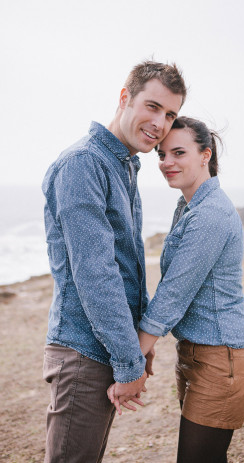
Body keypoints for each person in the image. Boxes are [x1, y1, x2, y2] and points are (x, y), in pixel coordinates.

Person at [41, 61, 187, 462]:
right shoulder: (83, 164)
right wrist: (129, 363)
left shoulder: (120, 164)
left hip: (103, 346)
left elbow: (123, 265)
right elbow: (96, 275)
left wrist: (134, 344)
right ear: (125, 98)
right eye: (153, 107)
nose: (161, 123)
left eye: (170, 114)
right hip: (82, 353)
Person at [109, 116, 244, 463]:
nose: (166, 163)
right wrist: (141, 352)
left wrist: (131, 365)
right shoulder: (189, 206)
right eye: (162, 154)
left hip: (222, 360)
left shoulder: (211, 214)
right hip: (196, 355)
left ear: (205, 154)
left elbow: (173, 295)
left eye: (179, 152)